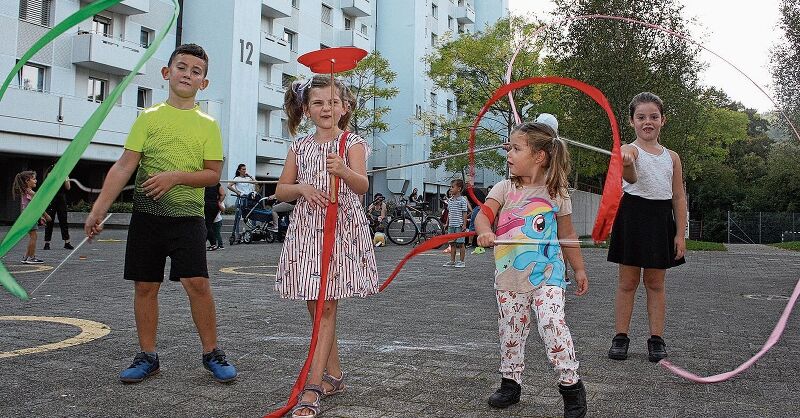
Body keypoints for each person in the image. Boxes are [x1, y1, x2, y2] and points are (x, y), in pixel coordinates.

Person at [83, 43, 237, 384]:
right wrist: (98, 208)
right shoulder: (147, 118)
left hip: (188, 218)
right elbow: (124, 166)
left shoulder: (208, 124)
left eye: (196, 71)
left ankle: (212, 351)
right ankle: (148, 355)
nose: (188, 74)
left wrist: (176, 177)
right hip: (147, 218)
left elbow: (212, 174)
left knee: (197, 283)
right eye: (181, 67)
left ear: (204, 84)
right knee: (145, 286)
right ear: (167, 73)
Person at [276, 74, 378, 418]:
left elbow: (362, 185)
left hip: (340, 230)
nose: (326, 108)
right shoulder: (299, 146)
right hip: (307, 231)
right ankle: (335, 374)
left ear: (345, 107)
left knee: (327, 308)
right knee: (315, 306)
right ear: (306, 108)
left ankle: (313, 386)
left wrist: (343, 170)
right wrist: (303, 188)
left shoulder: (353, 143)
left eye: (334, 102)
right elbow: (281, 190)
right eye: (318, 102)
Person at [475, 118, 589, 417]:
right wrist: (485, 229)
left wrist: (578, 269)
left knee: (552, 323)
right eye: (508, 148)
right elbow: (483, 216)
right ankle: (510, 383)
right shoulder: (503, 188)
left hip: (548, 273)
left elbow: (568, 235)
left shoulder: (556, 192)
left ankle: (571, 387)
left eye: (515, 148)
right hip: (510, 276)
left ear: (539, 156)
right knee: (511, 331)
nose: (508, 154)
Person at [606, 92, 687, 363]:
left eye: (653, 116)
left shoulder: (672, 157)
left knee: (655, 283)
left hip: (660, 218)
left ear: (663, 120)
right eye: (641, 117)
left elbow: (677, 197)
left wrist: (680, 234)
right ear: (632, 121)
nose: (647, 122)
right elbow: (631, 175)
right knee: (627, 282)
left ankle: (656, 339)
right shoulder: (629, 152)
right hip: (632, 216)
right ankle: (620, 337)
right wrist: (626, 158)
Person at [12, 170, 47, 264]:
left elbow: (32, 206)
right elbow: (36, 205)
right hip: (29, 216)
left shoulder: (26, 191)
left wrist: (40, 217)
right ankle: (31, 257)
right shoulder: (30, 192)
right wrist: (45, 215)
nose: (36, 181)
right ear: (27, 181)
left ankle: (26, 257)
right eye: (34, 179)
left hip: (28, 216)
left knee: (33, 236)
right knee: (33, 236)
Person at [42, 165, 73, 250]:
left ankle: (67, 242)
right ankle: (47, 243)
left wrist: (65, 177)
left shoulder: (64, 174)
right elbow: (48, 185)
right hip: (51, 198)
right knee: (49, 221)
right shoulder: (50, 173)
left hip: (61, 198)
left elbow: (68, 187)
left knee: (63, 219)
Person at [442, 179, 469, 267]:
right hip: (451, 225)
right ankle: (452, 260)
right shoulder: (450, 200)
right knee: (452, 243)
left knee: (461, 243)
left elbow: (464, 212)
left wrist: (464, 224)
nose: (450, 189)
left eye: (452, 187)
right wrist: (447, 223)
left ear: (459, 189)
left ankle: (462, 261)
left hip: (459, 225)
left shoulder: (462, 200)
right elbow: (449, 213)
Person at [228, 163, 257, 241]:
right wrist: (237, 192)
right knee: (237, 217)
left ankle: (253, 233)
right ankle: (236, 235)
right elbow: (229, 186)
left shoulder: (248, 178)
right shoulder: (237, 178)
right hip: (241, 198)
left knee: (253, 216)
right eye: (243, 169)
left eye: (245, 169)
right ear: (239, 170)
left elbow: (256, 182)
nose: (244, 171)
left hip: (249, 199)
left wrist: (250, 176)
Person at [204, 182, 225, 250]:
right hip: (214, 206)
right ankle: (209, 243)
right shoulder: (216, 183)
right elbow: (223, 194)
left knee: (207, 225)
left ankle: (213, 243)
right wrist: (218, 202)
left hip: (206, 205)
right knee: (208, 225)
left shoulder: (202, 182)